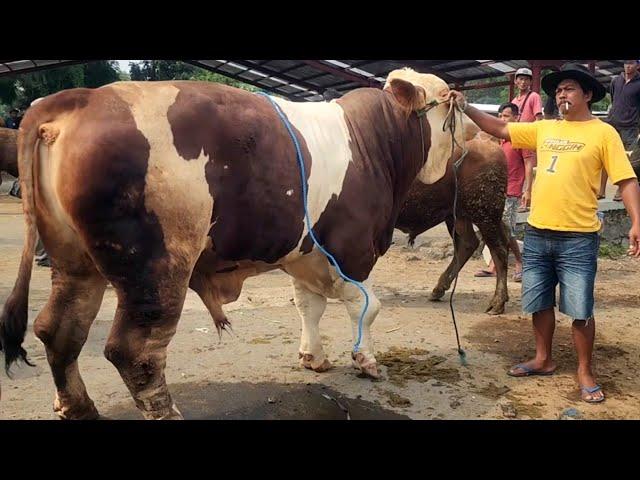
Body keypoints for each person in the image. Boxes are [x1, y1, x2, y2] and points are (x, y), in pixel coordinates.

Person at [450, 63, 640, 404]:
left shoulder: (603, 133)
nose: (562, 94)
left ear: (587, 95)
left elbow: (626, 180)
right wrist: (466, 106)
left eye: (569, 89)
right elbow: (501, 128)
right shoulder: (544, 128)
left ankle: (584, 370)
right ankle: (543, 358)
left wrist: (636, 221)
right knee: (538, 301)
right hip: (538, 232)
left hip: (578, 236)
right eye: (559, 90)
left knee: (580, 309)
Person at [474, 102, 526, 282]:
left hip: (513, 190)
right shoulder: (500, 140)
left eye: (506, 116)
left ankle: (519, 262)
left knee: (507, 229)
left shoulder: (520, 139)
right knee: (496, 227)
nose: (502, 119)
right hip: (497, 190)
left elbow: (529, 164)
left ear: (516, 118)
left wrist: (528, 190)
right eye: (501, 116)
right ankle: (494, 266)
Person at [600, 60, 640, 200]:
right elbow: (613, 98)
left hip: (630, 126)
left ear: (638, 65)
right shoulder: (616, 81)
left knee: (627, 160)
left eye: (631, 63)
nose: (628, 66)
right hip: (613, 124)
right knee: (605, 155)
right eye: (626, 63)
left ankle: (621, 190)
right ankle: (601, 190)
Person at [511, 68, 543, 211]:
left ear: (530, 81)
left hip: (527, 136)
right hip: (516, 137)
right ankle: (517, 196)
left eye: (526, 79)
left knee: (529, 166)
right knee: (517, 168)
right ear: (516, 81)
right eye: (520, 79)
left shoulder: (534, 96)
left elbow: (538, 118)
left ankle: (527, 196)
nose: (523, 82)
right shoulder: (514, 100)